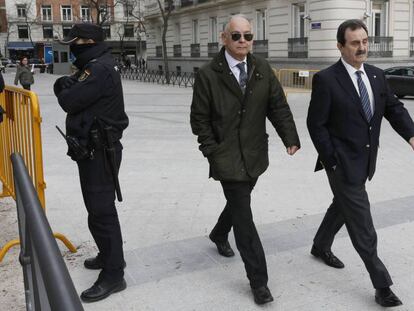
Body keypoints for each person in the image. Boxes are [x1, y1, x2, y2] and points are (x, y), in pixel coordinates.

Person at [190, 15, 300, 305]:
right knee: (245, 218)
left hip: (254, 156)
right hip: (225, 158)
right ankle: (259, 281)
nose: (243, 42)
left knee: (240, 203)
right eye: (236, 36)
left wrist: (290, 137)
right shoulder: (207, 74)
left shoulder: (262, 68)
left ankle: (217, 233)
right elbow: (199, 120)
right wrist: (212, 150)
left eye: (248, 36)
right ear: (224, 39)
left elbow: (277, 106)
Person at [307, 19, 414, 307]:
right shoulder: (327, 79)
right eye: (355, 43)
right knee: (362, 224)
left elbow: (394, 109)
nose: (362, 47)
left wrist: (412, 136)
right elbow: (316, 124)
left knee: (342, 206)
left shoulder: (377, 76)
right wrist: (332, 161)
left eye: (365, 41)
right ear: (340, 46)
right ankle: (382, 286)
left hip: (366, 161)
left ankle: (320, 245)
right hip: (341, 164)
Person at [53, 23, 129, 303]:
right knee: (96, 209)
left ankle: (114, 275)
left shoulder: (99, 69)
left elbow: (68, 100)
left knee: (102, 211)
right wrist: (67, 85)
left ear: (88, 42)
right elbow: (69, 89)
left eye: (75, 42)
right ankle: (107, 256)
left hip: (100, 151)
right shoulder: (94, 66)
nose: (72, 48)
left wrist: (65, 86)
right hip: (91, 150)